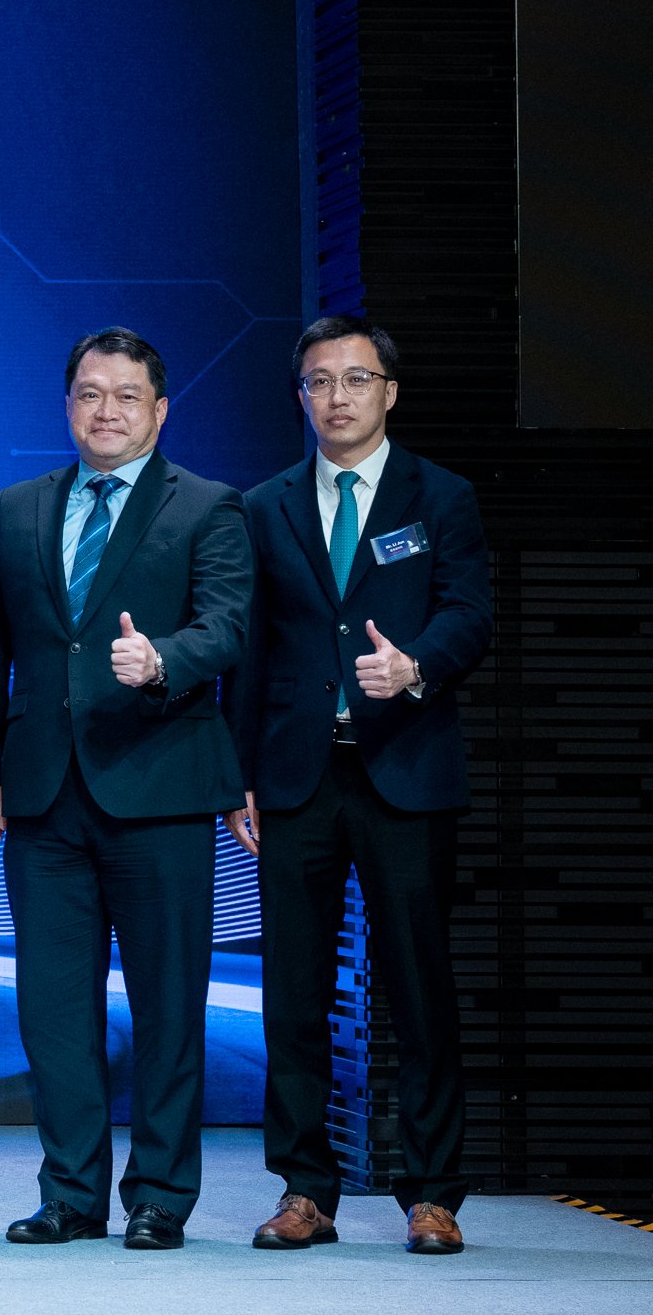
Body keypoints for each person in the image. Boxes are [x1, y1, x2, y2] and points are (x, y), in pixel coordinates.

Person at [0, 327, 251, 1251]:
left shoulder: (208, 506)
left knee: (170, 1005)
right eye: (90, 394)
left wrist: (162, 658)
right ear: (68, 405)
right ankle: (72, 1194)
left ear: (160, 411)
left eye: (127, 396)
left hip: (160, 787)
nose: (107, 411)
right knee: (56, 1010)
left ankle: (161, 1195)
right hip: (45, 796)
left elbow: (230, 627)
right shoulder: (17, 507)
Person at [230, 316, 492, 1257]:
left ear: (389, 390)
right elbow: (250, 653)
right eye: (317, 383)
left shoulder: (442, 496)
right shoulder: (264, 506)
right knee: (293, 992)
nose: (335, 398)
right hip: (297, 777)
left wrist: (415, 665)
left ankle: (432, 1193)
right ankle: (306, 1190)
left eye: (354, 379)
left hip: (405, 769)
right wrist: (241, 778)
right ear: (300, 398)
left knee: (420, 987)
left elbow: (471, 612)